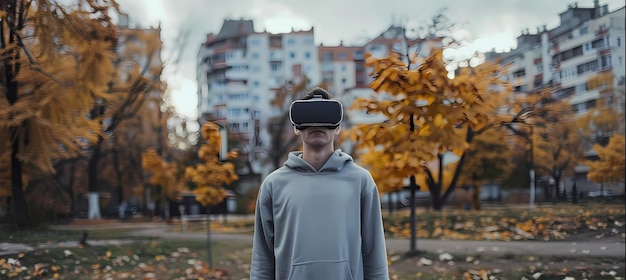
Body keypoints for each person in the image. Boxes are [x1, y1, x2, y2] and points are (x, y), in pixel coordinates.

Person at [250, 87, 389, 280]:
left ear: (338, 126)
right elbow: (262, 261)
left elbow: (375, 255)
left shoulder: (361, 181)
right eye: (308, 118)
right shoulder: (273, 185)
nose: (317, 124)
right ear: (296, 127)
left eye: (326, 117)